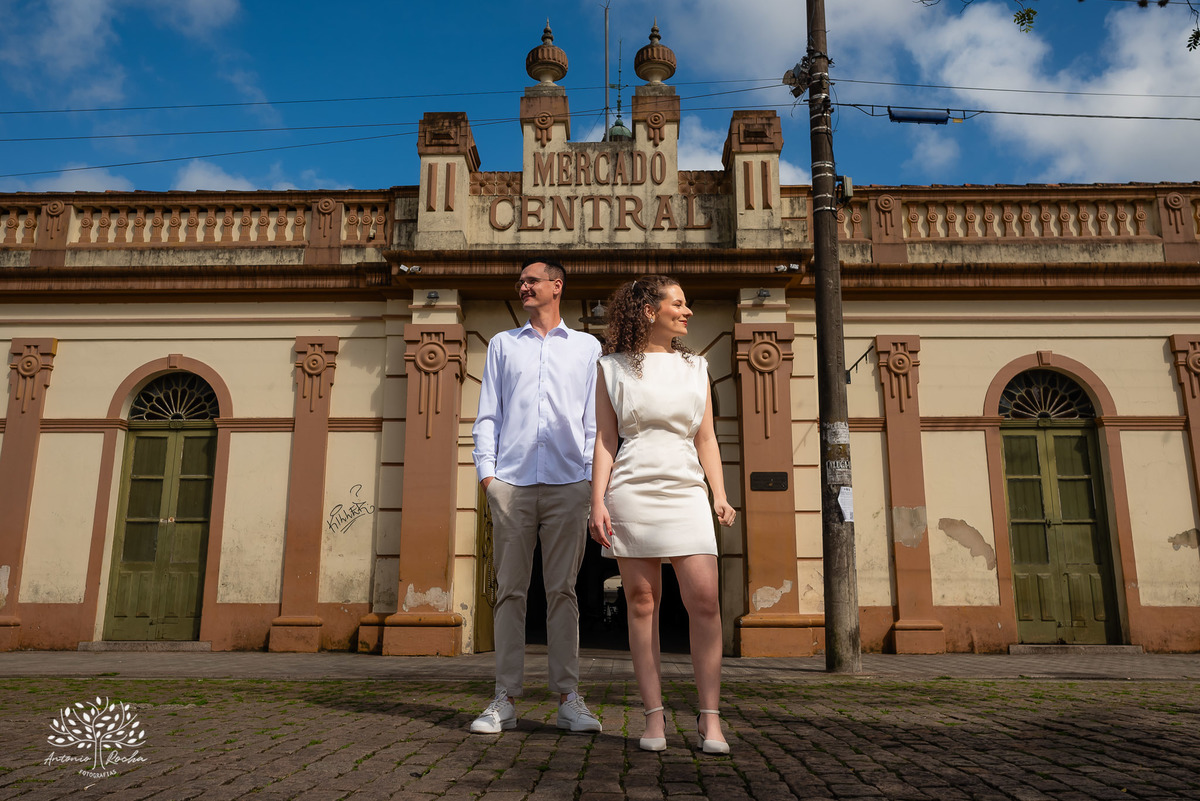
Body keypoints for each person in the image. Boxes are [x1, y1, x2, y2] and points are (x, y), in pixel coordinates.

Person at [588, 275, 736, 755]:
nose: (687, 310)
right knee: (641, 603)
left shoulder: (697, 368)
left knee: (705, 601)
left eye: (687, 303)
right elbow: (606, 440)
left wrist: (719, 493)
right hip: (631, 490)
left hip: (687, 490)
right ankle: (653, 717)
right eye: (678, 302)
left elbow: (706, 438)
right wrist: (597, 501)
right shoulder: (610, 368)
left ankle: (710, 717)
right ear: (649, 311)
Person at [469, 257, 604, 735]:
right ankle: (504, 697)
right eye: (520, 281)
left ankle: (569, 697)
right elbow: (489, 415)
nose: (522, 286)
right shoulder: (503, 346)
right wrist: (490, 479)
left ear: (556, 286)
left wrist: (591, 483)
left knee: (563, 591)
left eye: (531, 280)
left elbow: (594, 423)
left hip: (570, 485)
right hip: (513, 485)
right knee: (509, 591)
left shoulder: (588, 348)